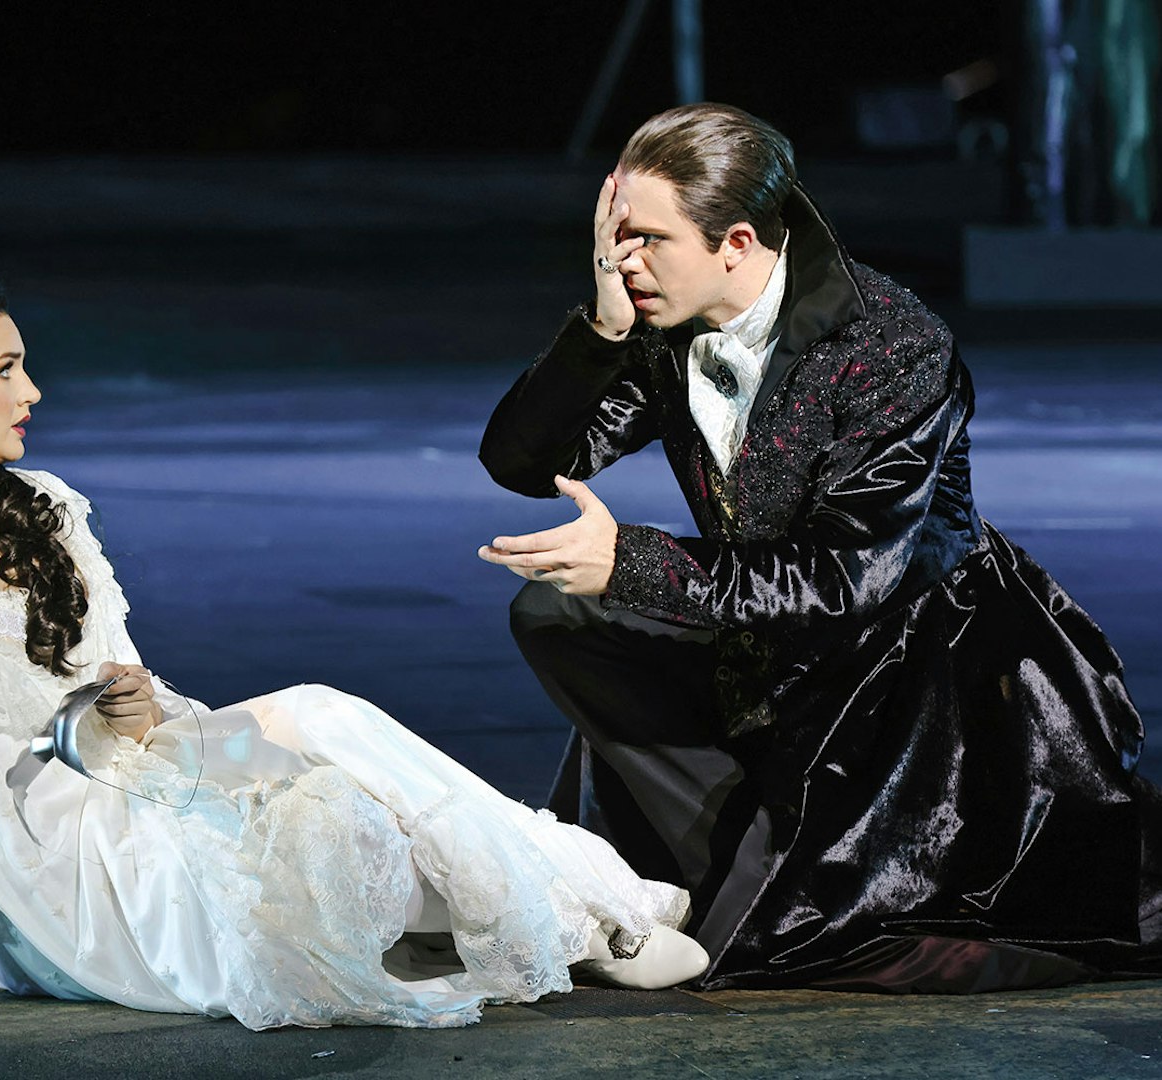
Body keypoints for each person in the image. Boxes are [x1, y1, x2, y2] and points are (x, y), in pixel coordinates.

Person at [0, 273, 708, 1030]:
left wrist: (140, 714)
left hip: (147, 779)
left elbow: (131, 701)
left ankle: (567, 907)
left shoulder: (43, 509)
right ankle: (581, 912)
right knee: (321, 764)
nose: (32, 391)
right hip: (61, 876)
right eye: (7, 368)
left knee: (335, 774)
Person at [477, 103, 1162, 992]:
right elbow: (523, 460)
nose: (623, 262)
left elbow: (851, 578)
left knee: (788, 944)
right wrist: (601, 330)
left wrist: (636, 562)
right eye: (614, 241)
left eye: (645, 240)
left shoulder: (889, 343)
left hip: (912, 670)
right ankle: (724, 847)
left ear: (737, 241)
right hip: (765, 625)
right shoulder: (661, 328)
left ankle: (780, 869)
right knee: (557, 608)